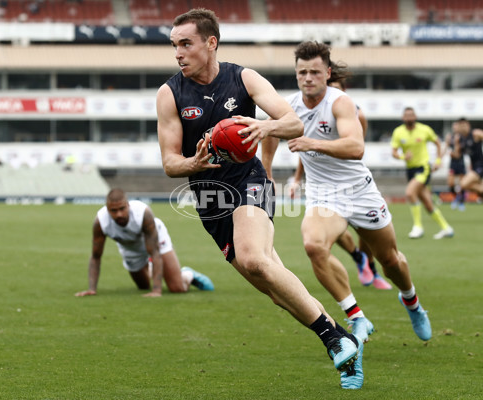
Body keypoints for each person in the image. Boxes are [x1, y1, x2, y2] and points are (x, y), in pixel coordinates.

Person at [156, 9, 365, 389]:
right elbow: (170, 164)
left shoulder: (243, 78)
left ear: (210, 43)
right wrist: (194, 162)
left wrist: (264, 125)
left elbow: (293, 122)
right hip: (211, 200)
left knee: (254, 258)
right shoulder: (169, 94)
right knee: (274, 287)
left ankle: (332, 339)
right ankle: (343, 336)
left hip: (250, 180)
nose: (178, 53)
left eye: (186, 44)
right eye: (174, 46)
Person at [263, 41, 432, 386]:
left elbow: (356, 147)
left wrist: (313, 143)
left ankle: (412, 301)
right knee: (313, 246)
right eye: (301, 72)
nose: (307, 78)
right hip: (324, 195)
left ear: (327, 73)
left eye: (314, 72)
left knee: (390, 261)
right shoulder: (288, 107)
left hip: (360, 191)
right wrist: (265, 172)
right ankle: (356, 317)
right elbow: (269, 131)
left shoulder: (341, 103)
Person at [285, 63, 391, 290]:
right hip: (324, 187)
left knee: (370, 235)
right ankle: (358, 257)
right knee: (330, 230)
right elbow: (304, 151)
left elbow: (355, 147)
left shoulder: (355, 113)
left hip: (354, 180)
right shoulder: (304, 109)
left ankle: (370, 266)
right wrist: (296, 178)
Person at [75, 188, 214, 297]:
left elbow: (154, 252)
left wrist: (157, 291)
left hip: (156, 241)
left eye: (122, 209)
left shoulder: (143, 213)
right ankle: (153, 270)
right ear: (107, 209)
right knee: (143, 287)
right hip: (129, 249)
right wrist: (91, 289)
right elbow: (96, 256)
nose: (119, 214)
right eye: (114, 210)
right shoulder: (101, 222)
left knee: (177, 288)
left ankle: (188, 274)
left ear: (128, 205)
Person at [391, 107, 454, 239]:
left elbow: (437, 142)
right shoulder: (398, 132)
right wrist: (403, 157)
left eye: (411, 115)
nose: (409, 117)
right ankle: (446, 228)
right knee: (427, 202)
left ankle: (418, 227)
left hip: (423, 168)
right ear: (403, 118)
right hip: (410, 170)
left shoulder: (424, 129)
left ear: (415, 117)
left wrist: (438, 160)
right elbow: (394, 153)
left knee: (409, 192)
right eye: (407, 115)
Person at [443, 122, 467, 211]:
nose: (455, 128)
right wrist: (440, 158)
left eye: (457, 127)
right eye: (454, 127)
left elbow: (458, 154)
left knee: (462, 184)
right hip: (453, 163)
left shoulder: (462, 137)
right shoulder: (450, 137)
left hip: (460, 162)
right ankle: (456, 198)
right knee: (450, 183)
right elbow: (445, 148)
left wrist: (453, 152)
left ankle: (461, 202)